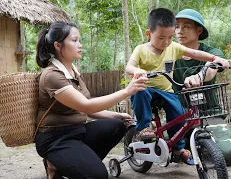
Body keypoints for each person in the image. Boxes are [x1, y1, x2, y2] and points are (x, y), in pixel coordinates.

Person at [35, 21, 148, 179]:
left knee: (117, 125)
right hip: (55, 138)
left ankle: (71, 164)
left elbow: (85, 109)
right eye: (74, 40)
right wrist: (128, 91)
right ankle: (56, 162)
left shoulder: (73, 71)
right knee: (99, 175)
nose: (80, 45)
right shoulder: (52, 76)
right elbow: (86, 106)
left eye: (79, 40)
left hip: (77, 131)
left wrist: (117, 115)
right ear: (58, 45)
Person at [125, 8, 231, 165]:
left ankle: (178, 149)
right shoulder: (141, 50)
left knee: (178, 112)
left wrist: (215, 58)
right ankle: (143, 128)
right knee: (140, 91)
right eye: (162, 38)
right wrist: (137, 71)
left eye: (170, 37)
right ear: (149, 34)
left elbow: (196, 54)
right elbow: (129, 67)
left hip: (167, 92)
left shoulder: (173, 47)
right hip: (147, 88)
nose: (166, 42)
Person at [174, 9, 231, 165]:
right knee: (164, 148)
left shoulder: (210, 52)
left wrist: (199, 76)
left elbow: (213, 66)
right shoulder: (169, 55)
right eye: (177, 26)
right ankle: (193, 142)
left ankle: (199, 143)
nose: (180, 31)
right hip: (181, 115)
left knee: (228, 154)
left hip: (209, 113)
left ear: (199, 30)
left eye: (186, 26)